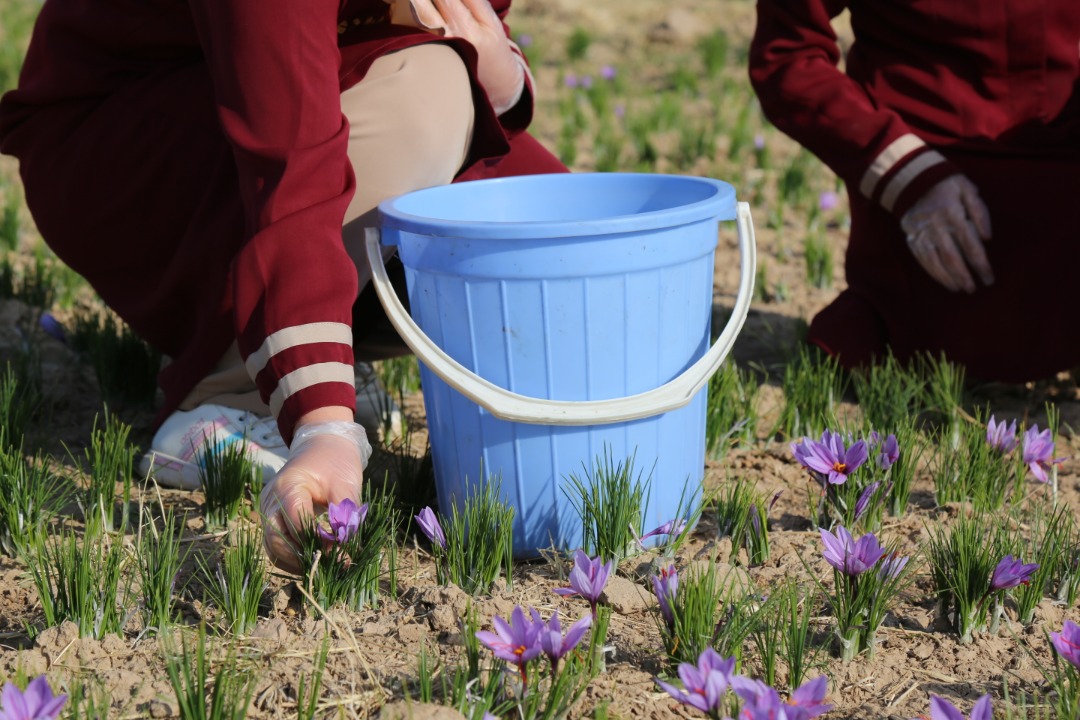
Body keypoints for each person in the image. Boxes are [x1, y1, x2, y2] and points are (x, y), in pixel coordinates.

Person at [0, 0, 567, 571]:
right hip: (123, 140)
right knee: (427, 96)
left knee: (531, 222)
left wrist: (503, 77)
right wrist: (322, 423)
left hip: (285, 96)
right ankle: (230, 394)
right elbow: (289, 154)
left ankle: (301, 352)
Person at [749, 1, 1080, 382]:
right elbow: (788, 53)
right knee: (923, 338)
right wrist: (905, 175)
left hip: (1064, 189)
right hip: (928, 202)